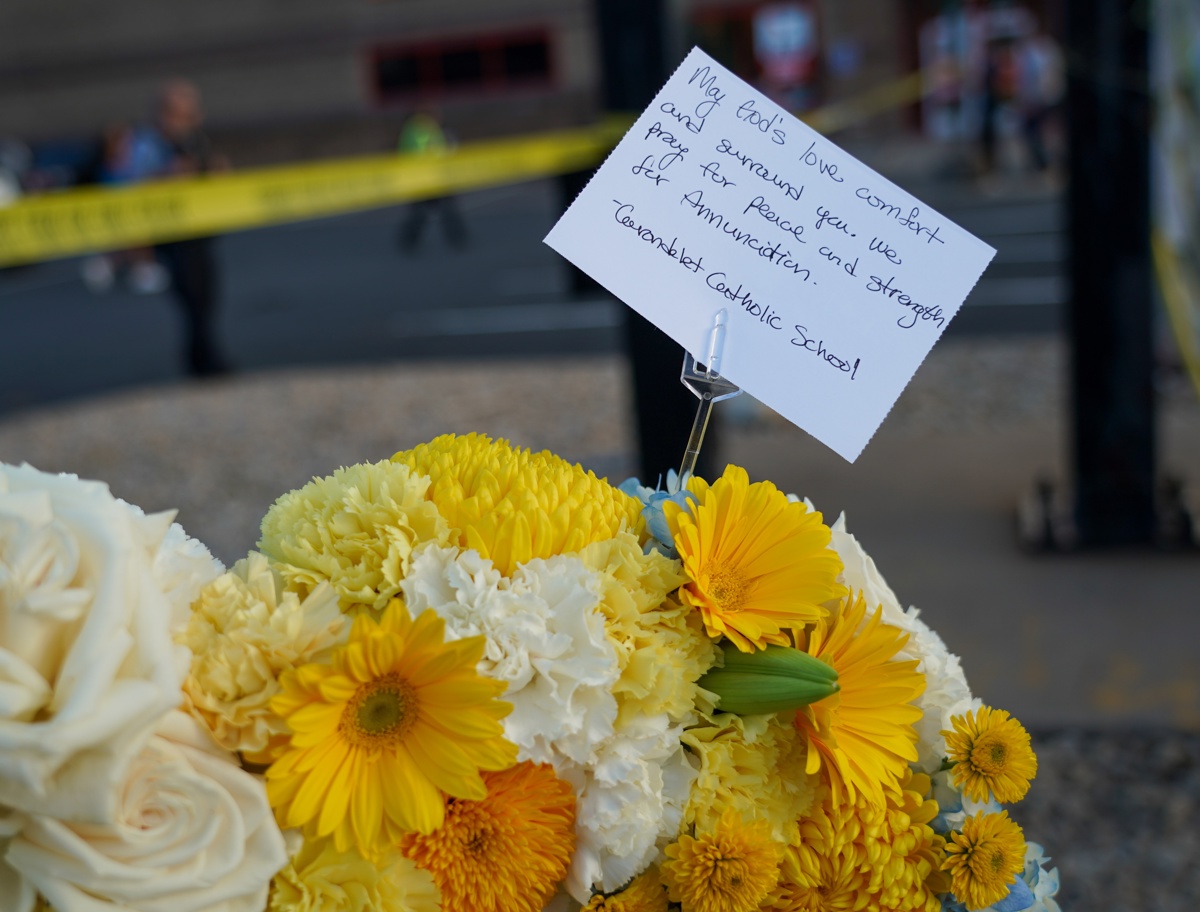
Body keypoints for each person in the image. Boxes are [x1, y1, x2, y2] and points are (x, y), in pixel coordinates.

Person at [128, 79, 230, 376]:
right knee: (193, 298)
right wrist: (166, 178)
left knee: (206, 297)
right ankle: (206, 361)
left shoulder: (197, 142)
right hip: (172, 235)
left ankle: (203, 357)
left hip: (199, 230)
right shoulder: (147, 145)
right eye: (179, 114)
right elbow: (132, 187)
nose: (186, 121)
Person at [396, 109, 467, 251]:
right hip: (425, 180)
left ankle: (457, 238)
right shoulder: (419, 132)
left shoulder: (427, 130)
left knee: (443, 211)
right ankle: (409, 241)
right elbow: (423, 153)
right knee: (426, 213)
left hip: (434, 179)